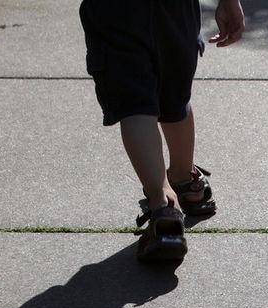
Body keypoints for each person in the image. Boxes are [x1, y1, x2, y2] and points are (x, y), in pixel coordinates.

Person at [79, 0, 245, 262]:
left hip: (117, 12)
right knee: (174, 95)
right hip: (176, 9)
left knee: (135, 105)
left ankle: (163, 208)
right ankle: (186, 181)